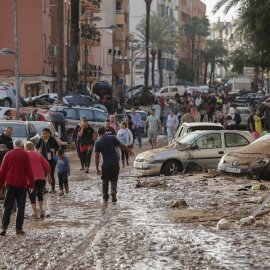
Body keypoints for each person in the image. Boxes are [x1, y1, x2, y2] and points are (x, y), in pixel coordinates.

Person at [0, 139, 34, 235]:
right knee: (21, 207)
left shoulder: (8, 154)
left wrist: (0, 185)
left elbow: (2, 171)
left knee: (7, 206)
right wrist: (31, 184)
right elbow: (30, 171)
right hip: (22, 185)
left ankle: (4, 228)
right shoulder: (25, 155)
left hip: (10, 185)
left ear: (14, 145)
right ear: (22, 146)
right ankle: (18, 229)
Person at [95, 127, 133, 203]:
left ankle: (105, 198)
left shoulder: (97, 143)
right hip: (115, 163)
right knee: (114, 179)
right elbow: (121, 146)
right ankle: (113, 191)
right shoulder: (112, 138)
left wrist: (97, 168)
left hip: (105, 165)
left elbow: (96, 156)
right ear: (105, 132)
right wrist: (129, 151)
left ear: (98, 134)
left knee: (105, 181)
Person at [24, 141, 51, 219]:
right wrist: (49, 176)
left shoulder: (25, 155)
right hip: (41, 178)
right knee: (40, 194)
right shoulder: (39, 154)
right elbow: (47, 165)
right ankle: (42, 211)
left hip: (30, 179)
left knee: (31, 195)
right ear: (33, 147)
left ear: (26, 148)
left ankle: (35, 213)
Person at [35, 128, 60, 193]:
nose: (44, 135)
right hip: (43, 159)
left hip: (51, 159)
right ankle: (43, 188)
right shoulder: (41, 139)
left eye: (45, 133)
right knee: (43, 174)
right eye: (43, 133)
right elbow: (36, 146)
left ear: (48, 133)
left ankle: (53, 188)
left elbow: (57, 147)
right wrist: (38, 151)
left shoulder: (52, 139)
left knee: (51, 174)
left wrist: (54, 149)